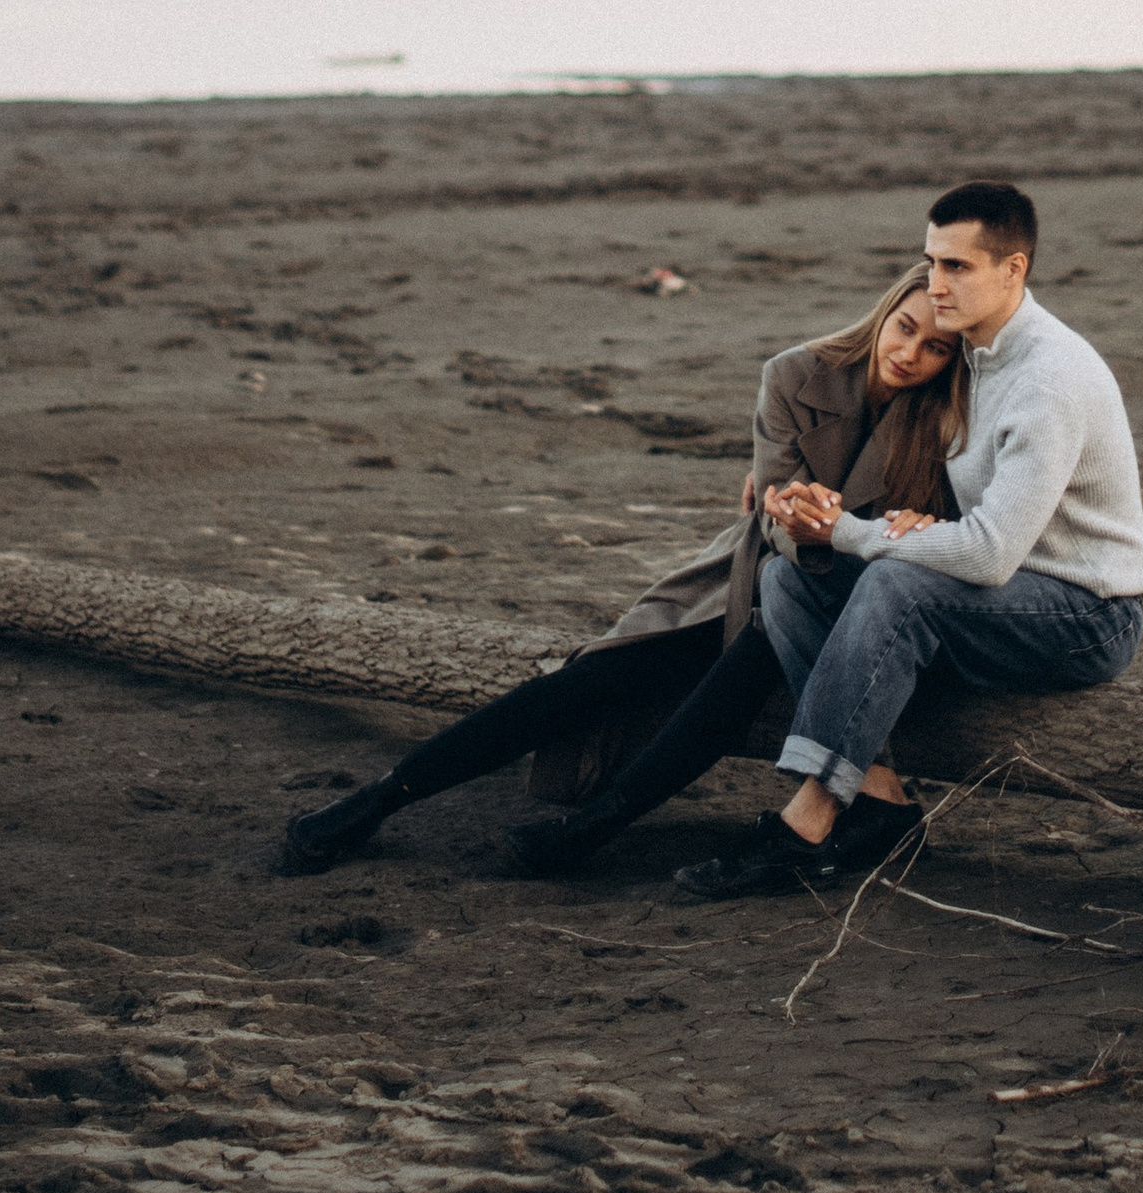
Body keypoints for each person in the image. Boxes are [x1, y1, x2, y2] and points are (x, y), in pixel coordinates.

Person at [274, 268, 968, 880]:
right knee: (594, 678)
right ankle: (378, 799)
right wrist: (794, 516)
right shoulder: (794, 373)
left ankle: (594, 828)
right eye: (904, 327)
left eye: (936, 347)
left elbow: (938, 534)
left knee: (736, 681)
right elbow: (772, 509)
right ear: (884, 313)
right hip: (746, 571)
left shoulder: (945, 424)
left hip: (845, 605)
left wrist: (907, 523)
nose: (910, 353)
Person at [675, 181, 1143, 902]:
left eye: (957, 266)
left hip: (1087, 614)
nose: (936, 284)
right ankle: (881, 802)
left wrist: (849, 531)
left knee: (896, 581)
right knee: (790, 580)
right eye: (931, 262)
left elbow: (988, 554)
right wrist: (789, 489)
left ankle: (806, 823)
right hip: (1001, 597)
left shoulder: (1048, 380)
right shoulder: (975, 357)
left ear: (1013, 269)